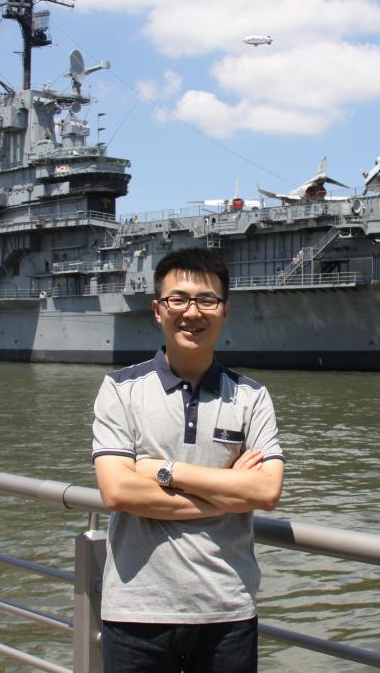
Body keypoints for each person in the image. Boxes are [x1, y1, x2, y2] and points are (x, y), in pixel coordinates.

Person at [91, 247, 285, 672]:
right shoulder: (119, 388)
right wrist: (227, 496)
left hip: (227, 610)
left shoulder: (252, 396)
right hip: (135, 611)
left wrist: (166, 471)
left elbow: (267, 491)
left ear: (225, 310)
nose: (192, 312)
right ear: (157, 310)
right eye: (177, 299)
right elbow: (118, 492)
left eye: (206, 300)